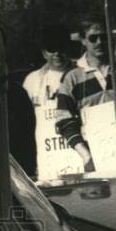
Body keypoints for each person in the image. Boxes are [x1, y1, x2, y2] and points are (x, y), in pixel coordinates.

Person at [54, 16, 116, 173]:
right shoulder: (72, 77)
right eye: (93, 38)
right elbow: (64, 121)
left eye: (104, 37)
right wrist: (86, 156)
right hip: (96, 160)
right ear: (83, 40)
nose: (99, 42)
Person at [22, 23, 74, 178]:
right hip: (47, 161)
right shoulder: (32, 81)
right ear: (44, 52)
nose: (57, 53)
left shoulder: (82, 74)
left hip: (79, 156)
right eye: (52, 48)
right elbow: (25, 124)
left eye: (61, 47)